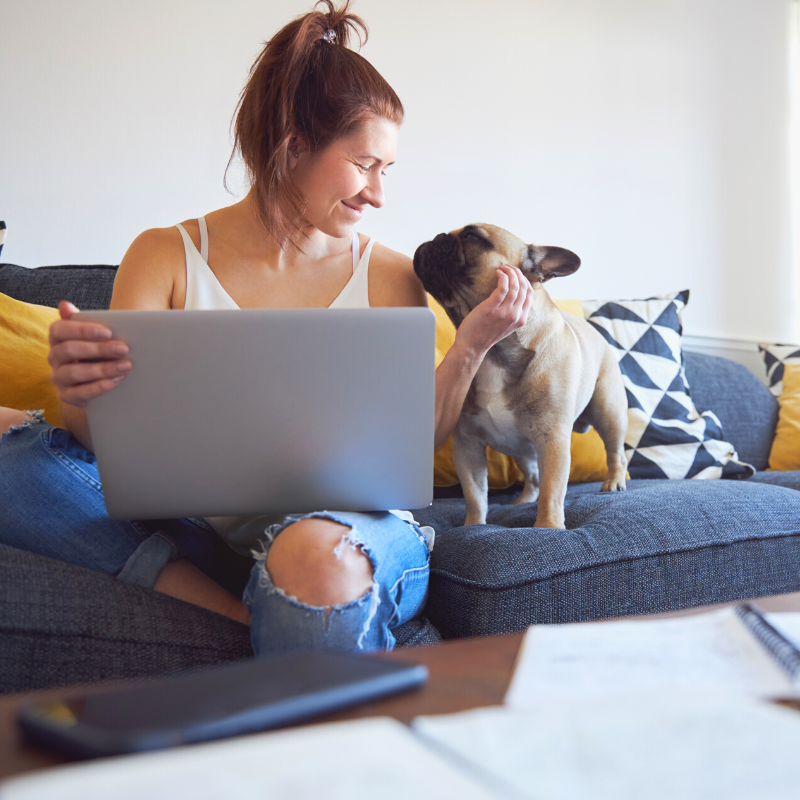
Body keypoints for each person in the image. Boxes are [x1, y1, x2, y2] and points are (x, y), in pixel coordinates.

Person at [0, 0, 533, 654]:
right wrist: (84, 394)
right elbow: (107, 449)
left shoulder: (391, 277)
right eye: (365, 164)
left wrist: (473, 342)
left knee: (312, 553)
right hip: (200, 531)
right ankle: (262, 619)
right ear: (292, 143)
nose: (378, 194)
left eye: (386, 170)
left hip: (348, 534)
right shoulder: (164, 255)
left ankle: (307, 607)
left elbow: (407, 448)